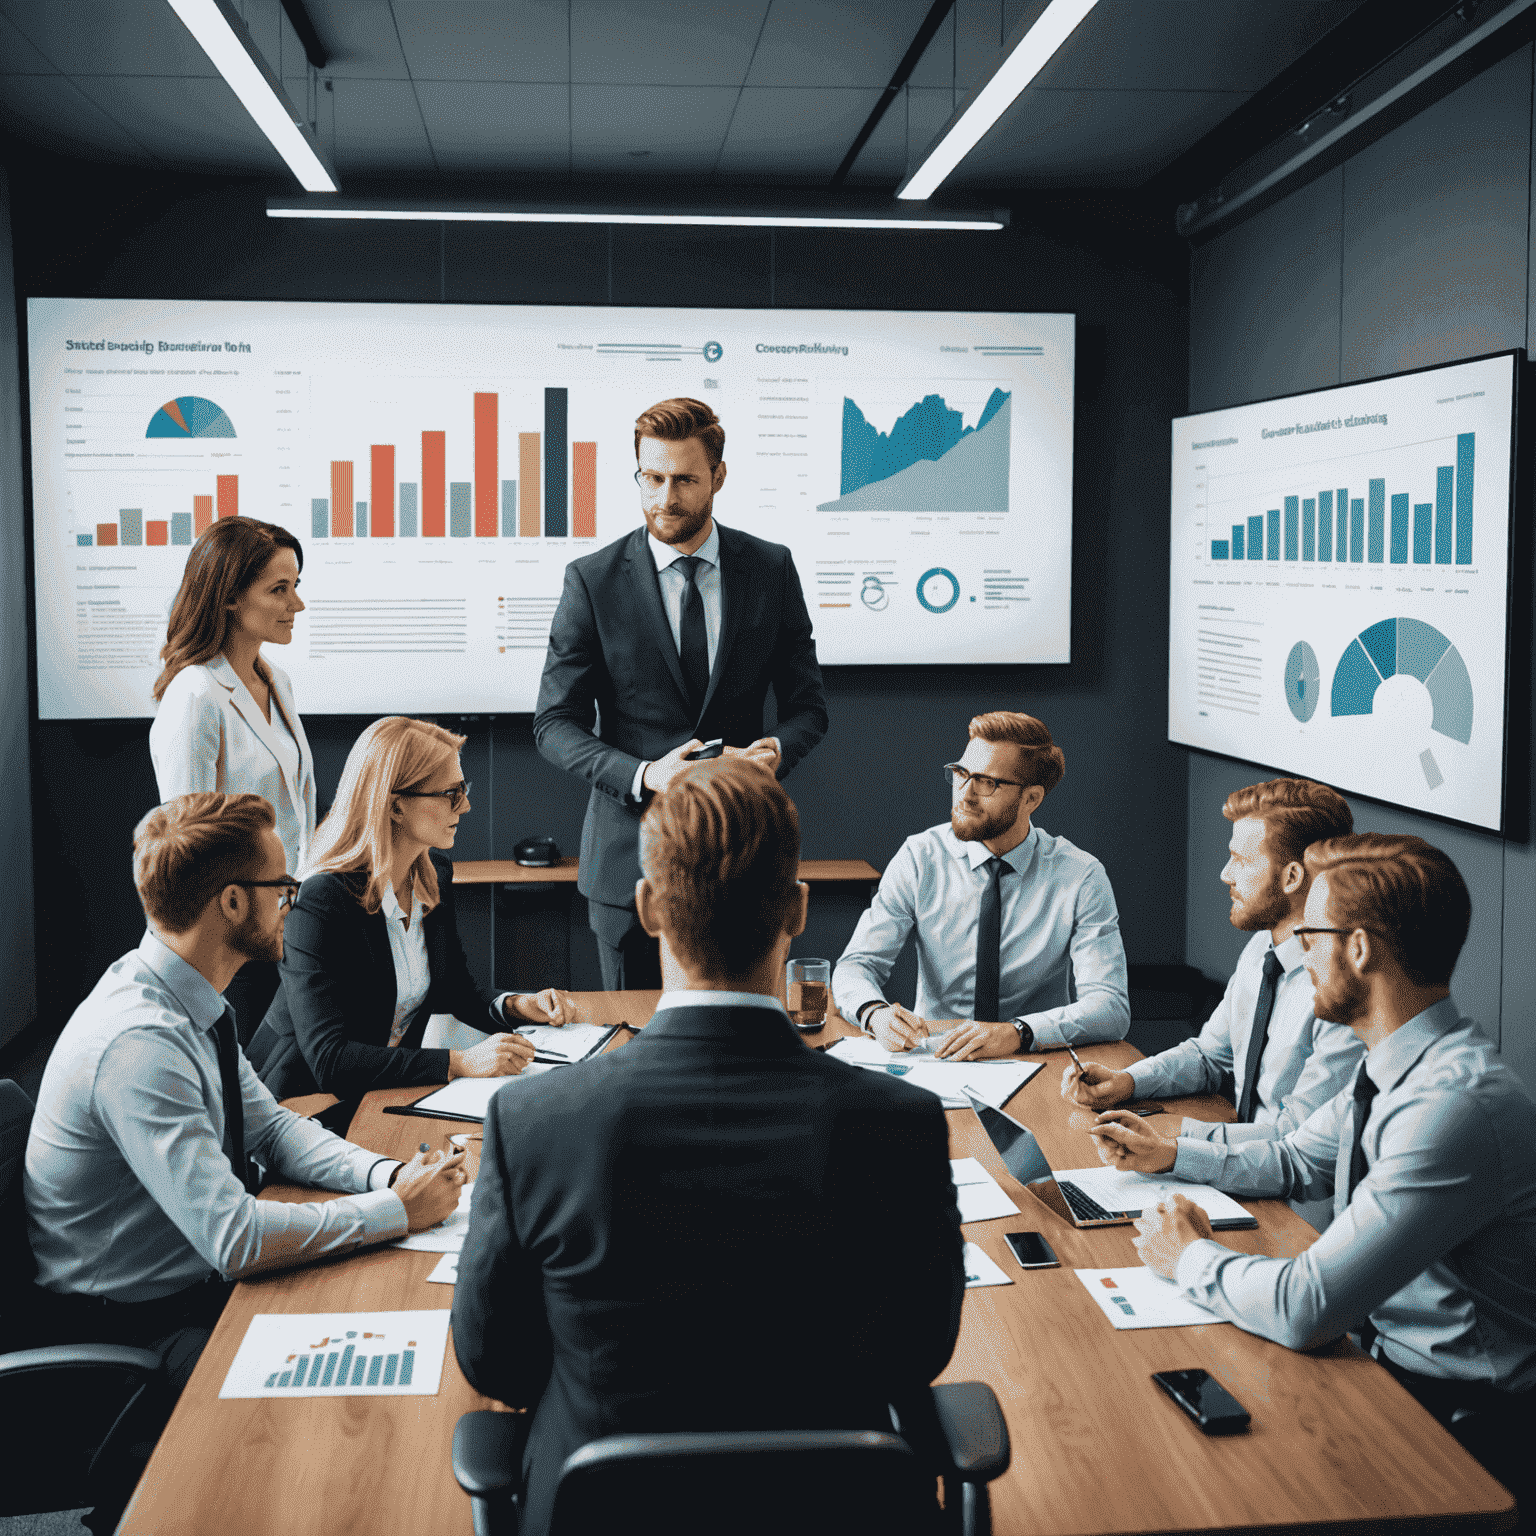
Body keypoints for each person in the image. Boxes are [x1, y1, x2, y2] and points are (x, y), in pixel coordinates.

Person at [452, 760, 964, 1536]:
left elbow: (499, 1368)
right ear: (797, 909)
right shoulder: (905, 1122)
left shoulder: (534, 1122)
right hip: (843, 1511)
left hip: (603, 1512)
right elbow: (919, 1353)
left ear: (649, 907)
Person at [24, 792, 468, 1530]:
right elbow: (234, 1239)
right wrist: (395, 1213)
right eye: (283, 888)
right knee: (332, 1433)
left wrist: (388, 1176)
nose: (295, 902)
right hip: (136, 1329)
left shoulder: (190, 999)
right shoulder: (140, 1044)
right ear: (233, 902)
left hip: (189, 1285)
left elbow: (275, 1131)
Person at [1091, 834, 1536, 1532]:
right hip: (1376, 1358)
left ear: (1358, 949)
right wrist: (1170, 1151)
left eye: (1311, 933)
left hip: (1457, 1420)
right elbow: (1300, 1159)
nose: (1298, 950)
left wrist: (1189, 1257)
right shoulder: (1391, 1063)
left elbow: (1307, 1304)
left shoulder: (1454, 1107)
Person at [533, 396, 829, 989]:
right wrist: (646, 774)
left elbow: (808, 710)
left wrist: (774, 752)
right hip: (630, 864)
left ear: (719, 477)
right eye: (652, 478)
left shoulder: (771, 569)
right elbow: (554, 725)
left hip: (743, 854)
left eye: (685, 480)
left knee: (739, 1048)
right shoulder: (592, 580)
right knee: (631, 1048)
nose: (666, 498)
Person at [248, 717, 574, 1101]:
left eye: (463, 789)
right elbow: (329, 1059)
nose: (466, 806)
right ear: (396, 806)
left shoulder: (433, 874)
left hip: (384, 1090)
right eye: (450, 793)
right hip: (299, 1103)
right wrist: (459, 1062)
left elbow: (456, 990)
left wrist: (520, 1005)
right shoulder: (320, 899)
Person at [1062, 778, 1363, 1189]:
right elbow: (1210, 1055)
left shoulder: (1342, 986)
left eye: (1240, 860)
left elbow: (1296, 1137)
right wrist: (1127, 1081)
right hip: (1230, 1169)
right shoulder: (1262, 948)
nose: (1225, 875)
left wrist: (1178, 1137)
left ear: (1292, 876)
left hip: (1293, 1203)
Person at [833, 710, 1128, 1058]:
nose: (965, 793)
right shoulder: (920, 857)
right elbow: (856, 965)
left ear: (1031, 798)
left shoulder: (1080, 876)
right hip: (935, 1055)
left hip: (1036, 1058)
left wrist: (1018, 1033)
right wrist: (874, 1013)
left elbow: (1110, 1006)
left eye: (987, 782)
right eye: (960, 773)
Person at [149, 516, 316, 1045]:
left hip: (284, 924)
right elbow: (189, 846)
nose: (297, 605)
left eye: (296, 587)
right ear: (229, 598)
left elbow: (297, 811)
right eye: (279, 589)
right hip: (228, 938)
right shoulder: (195, 696)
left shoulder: (278, 682)